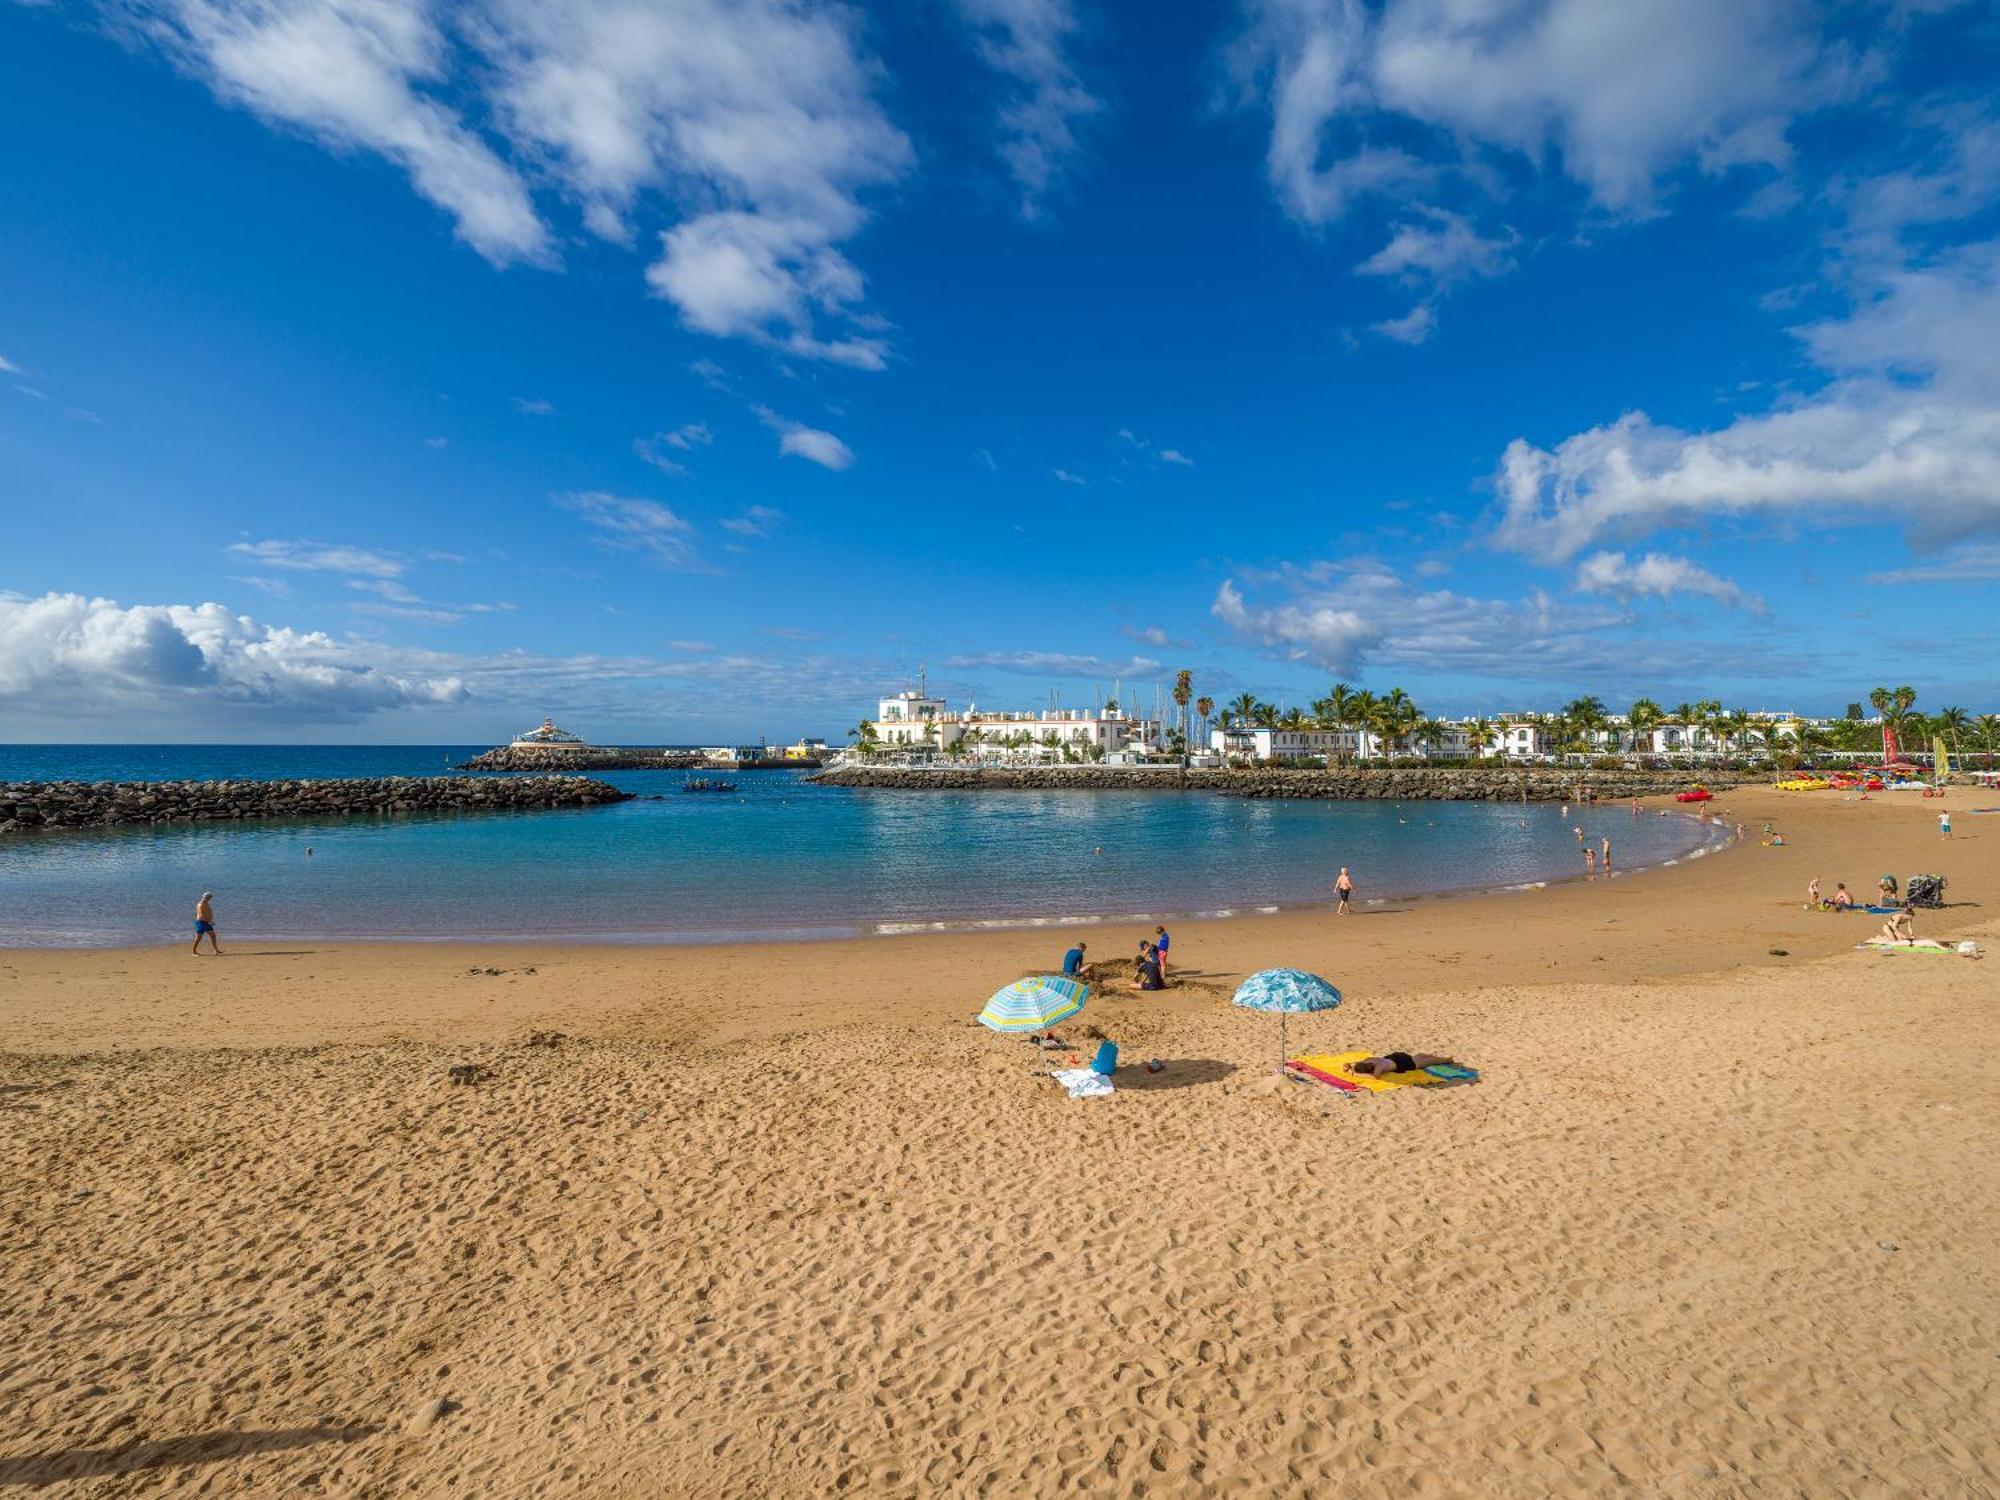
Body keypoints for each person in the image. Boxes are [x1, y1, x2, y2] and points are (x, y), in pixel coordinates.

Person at [1350, 1050, 1455, 1077]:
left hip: (1403, 1062)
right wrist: (1350, 1066)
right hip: (1396, 1056)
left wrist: (1356, 1074)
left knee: (1427, 1062)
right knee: (1419, 1056)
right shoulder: (1369, 1059)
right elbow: (1355, 1063)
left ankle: (1447, 1060)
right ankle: (1432, 1055)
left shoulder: (1378, 1067)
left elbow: (1375, 1077)